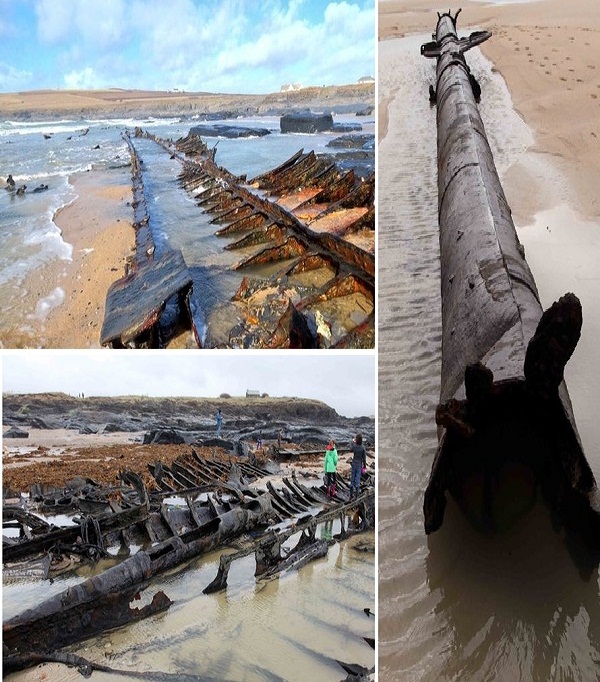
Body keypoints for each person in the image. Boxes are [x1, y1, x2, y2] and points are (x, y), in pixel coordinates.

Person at [349, 432, 366, 499]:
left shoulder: (355, 446)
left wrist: (352, 442)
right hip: (359, 463)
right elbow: (364, 458)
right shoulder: (363, 447)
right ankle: (357, 495)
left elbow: (350, 449)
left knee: (352, 477)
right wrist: (364, 467)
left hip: (354, 463)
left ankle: (351, 495)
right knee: (358, 478)